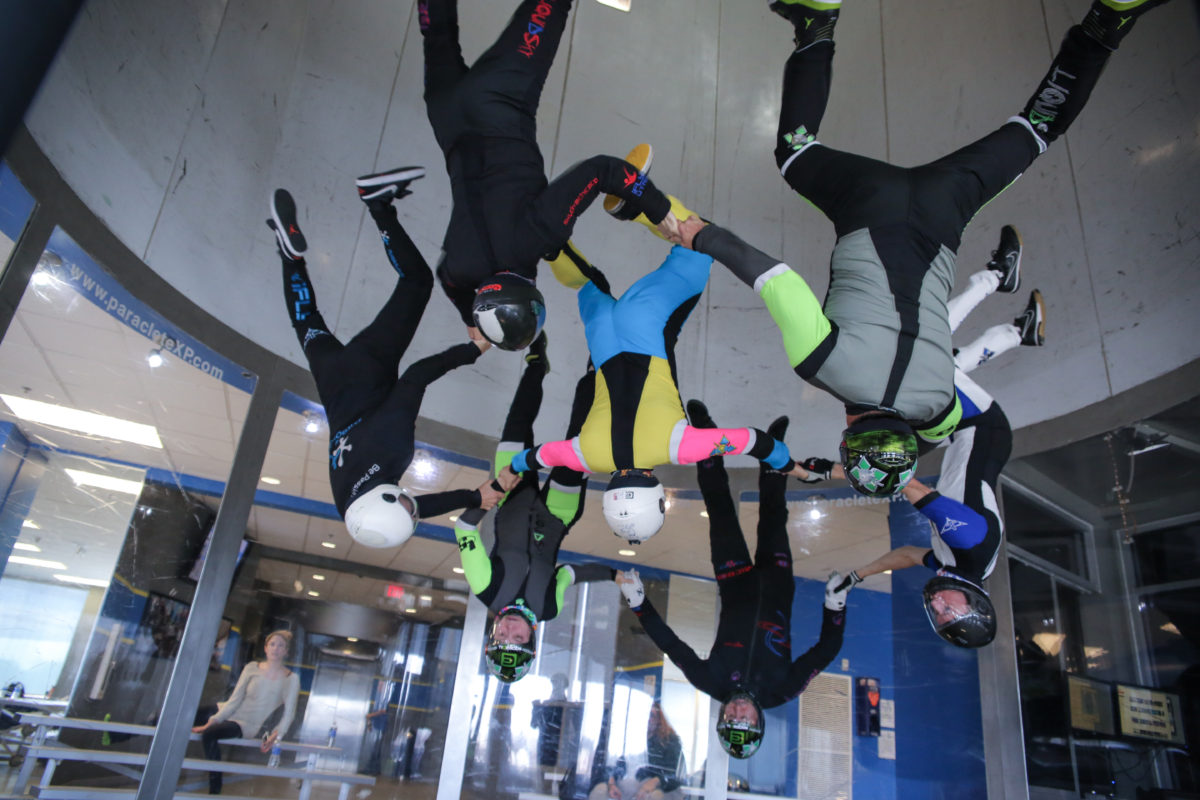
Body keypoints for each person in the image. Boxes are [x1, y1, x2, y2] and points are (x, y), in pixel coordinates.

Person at [670, 0, 1170, 498]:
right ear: (846, 432)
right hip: (867, 202)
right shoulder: (822, 367)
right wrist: (702, 236)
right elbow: (778, 280)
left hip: (944, 207)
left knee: (1037, 128)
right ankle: (816, 23)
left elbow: (935, 434)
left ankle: (1108, 19)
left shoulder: (937, 405)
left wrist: (890, 465)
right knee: (796, 149)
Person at [802, 257, 1046, 647]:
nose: (939, 608)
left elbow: (905, 555)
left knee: (936, 362)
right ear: (974, 601)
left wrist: (857, 576)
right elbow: (902, 482)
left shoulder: (955, 566)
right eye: (951, 610)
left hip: (959, 437)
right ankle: (997, 278)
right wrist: (831, 472)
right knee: (923, 350)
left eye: (939, 617)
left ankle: (1019, 331)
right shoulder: (971, 545)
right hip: (981, 427)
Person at [417, 0, 687, 349]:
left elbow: (601, 170)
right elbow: (448, 282)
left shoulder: (537, 237)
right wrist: (471, 322)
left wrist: (659, 208)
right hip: (444, 113)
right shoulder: (461, 270)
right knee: (436, 32)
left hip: (498, 99)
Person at [267, 175, 516, 549]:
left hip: (367, 368)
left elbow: (416, 377)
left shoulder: (390, 449)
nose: (406, 497)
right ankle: (290, 256)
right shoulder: (354, 509)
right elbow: (412, 507)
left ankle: (377, 203)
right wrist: (474, 497)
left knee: (416, 282)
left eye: (400, 499)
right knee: (306, 321)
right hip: (332, 380)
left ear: (382, 500)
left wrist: (473, 350)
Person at [498, 249, 808, 545]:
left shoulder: (681, 448)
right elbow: (534, 457)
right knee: (587, 282)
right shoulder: (583, 457)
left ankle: (639, 198)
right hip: (601, 335)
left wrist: (788, 466)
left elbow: (755, 441)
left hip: (645, 320)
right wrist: (510, 472)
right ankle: (550, 242)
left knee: (700, 241)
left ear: (658, 499)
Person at [615, 406, 852, 758]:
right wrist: (835, 608)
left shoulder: (710, 682)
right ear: (759, 720)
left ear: (722, 717)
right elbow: (826, 651)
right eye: (746, 719)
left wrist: (639, 603)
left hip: (734, 580)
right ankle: (773, 449)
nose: (738, 711)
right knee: (774, 513)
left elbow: (671, 645)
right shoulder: (781, 691)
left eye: (731, 718)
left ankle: (705, 434)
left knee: (721, 509)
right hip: (777, 582)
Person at [454, 335, 616, 682]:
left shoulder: (486, 588)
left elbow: (464, 529)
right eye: (518, 639)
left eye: (502, 638)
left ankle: (536, 362)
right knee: (580, 439)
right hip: (558, 514)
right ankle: (596, 368)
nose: (511, 629)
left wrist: (494, 491)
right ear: (532, 641)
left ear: (492, 635)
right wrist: (614, 575)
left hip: (511, 496)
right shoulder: (548, 608)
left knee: (518, 422)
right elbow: (569, 573)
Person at [191, 630, 300, 794]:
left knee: (209, 734)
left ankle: (215, 789)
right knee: (180, 715)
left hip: (245, 724)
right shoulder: (251, 668)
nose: (275, 648)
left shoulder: (291, 679)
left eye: (280, 646)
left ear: (286, 651)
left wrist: (276, 734)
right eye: (272, 644)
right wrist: (214, 719)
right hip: (225, 711)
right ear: (265, 648)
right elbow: (234, 700)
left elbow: (289, 713)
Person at [590, 701, 686, 800]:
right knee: (599, 791)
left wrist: (654, 782)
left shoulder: (669, 741)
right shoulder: (624, 738)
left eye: (651, 715)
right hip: (625, 789)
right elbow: (610, 766)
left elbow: (676, 774)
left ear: (659, 719)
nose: (648, 720)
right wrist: (611, 783)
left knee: (655, 797)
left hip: (660, 789)